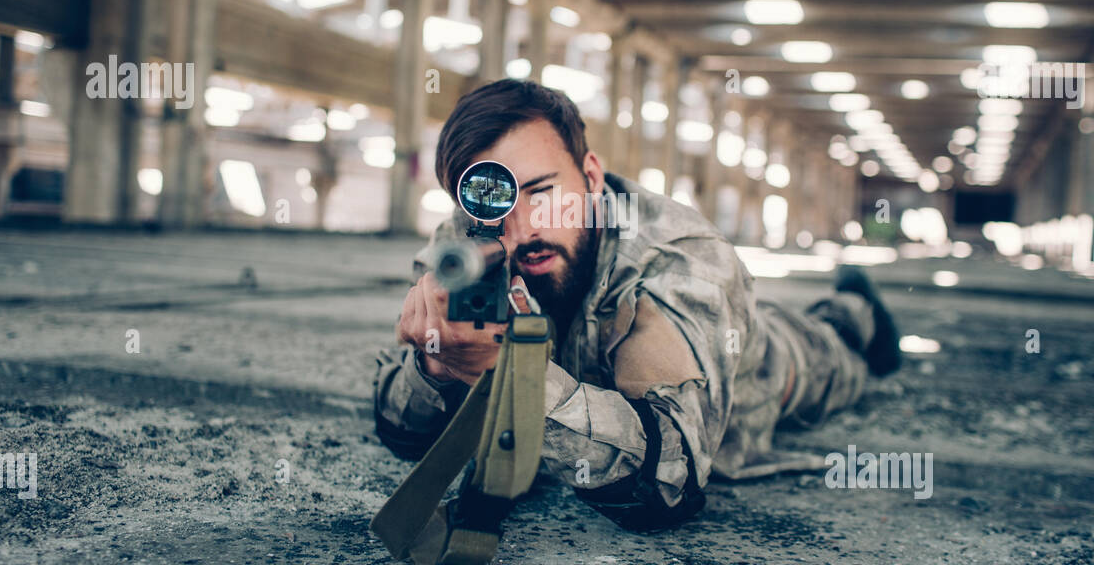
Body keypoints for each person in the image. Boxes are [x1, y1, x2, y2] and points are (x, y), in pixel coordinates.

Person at [373, 78, 901, 532]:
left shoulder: (679, 259)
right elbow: (400, 426)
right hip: (600, 382)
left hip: (770, 372)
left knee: (835, 354)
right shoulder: (467, 244)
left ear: (592, 176)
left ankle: (856, 313)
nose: (524, 228)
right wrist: (436, 367)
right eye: (498, 204)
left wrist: (511, 378)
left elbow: (668, 482)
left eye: (543, 191)